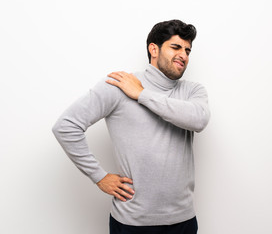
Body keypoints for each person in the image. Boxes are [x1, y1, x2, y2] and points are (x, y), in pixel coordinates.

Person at [52, 19, 210, 234]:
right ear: (153, 49)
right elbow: (66, 125)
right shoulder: (120, 85)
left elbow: (198, 120)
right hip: (132, 222)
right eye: (175, 47)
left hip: (183, 221)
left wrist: (142, 95)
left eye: (187, 50)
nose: (183, 54)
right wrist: (99, 176)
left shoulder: (192, 91)